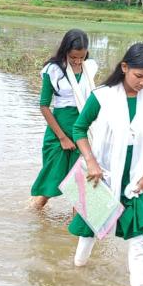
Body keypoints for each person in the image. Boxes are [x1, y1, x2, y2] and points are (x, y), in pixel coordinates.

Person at [68, 43, 143, 286]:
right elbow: (79, 129)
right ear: (124, 67)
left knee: (139, 236)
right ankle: (77, 270)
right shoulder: (102, 96)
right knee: (89, 231)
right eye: (139, 76)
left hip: (137, 177)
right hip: (103, 172)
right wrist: (91, 162)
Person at [30, 29, 96, 209]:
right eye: (73, 57)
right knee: (52, 178)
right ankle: (33, 213)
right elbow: (44, 106)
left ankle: (76, 223)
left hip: (83, 129)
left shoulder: (90, 67)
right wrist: (62, 138)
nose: (78, 61)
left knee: (82, 181)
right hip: (60, 129)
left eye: (81, 57)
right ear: (65, 50)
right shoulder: (54, 70)